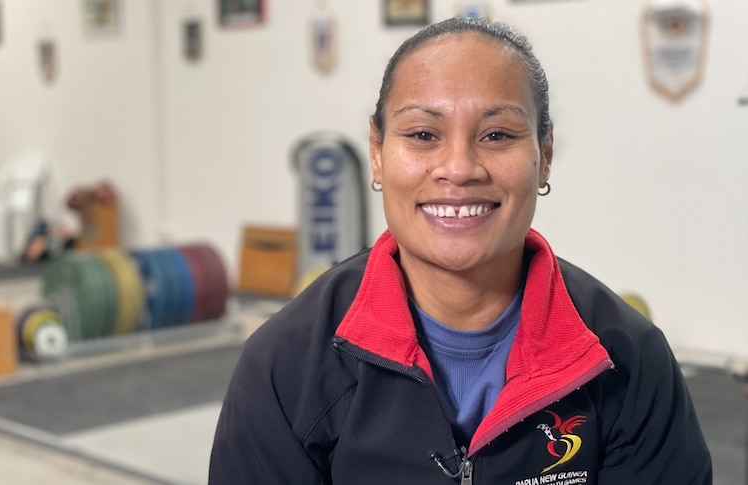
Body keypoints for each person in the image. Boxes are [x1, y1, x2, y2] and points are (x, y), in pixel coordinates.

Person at [209, 16, 712, 484]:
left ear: (545, 157)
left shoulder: (628, 359)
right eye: (423, 134)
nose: (459, 167)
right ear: (377, 154)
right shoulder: (285, 366)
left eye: (496, 134)